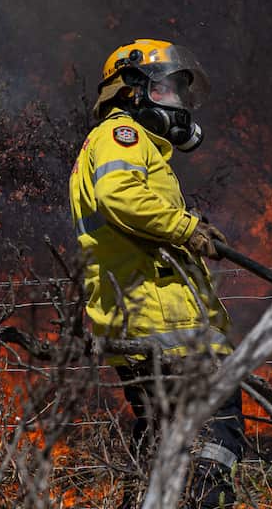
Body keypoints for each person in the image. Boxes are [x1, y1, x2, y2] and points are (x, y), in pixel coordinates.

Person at [68, 39, 244, 509]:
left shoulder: (118, 143)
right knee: (218, 432)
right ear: (132, 90)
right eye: (168, 89)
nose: (179, 102)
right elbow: (121, 197)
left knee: (160, 446)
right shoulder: (121, 134)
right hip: (163, 323)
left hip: (143, 321)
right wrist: (188, 228)